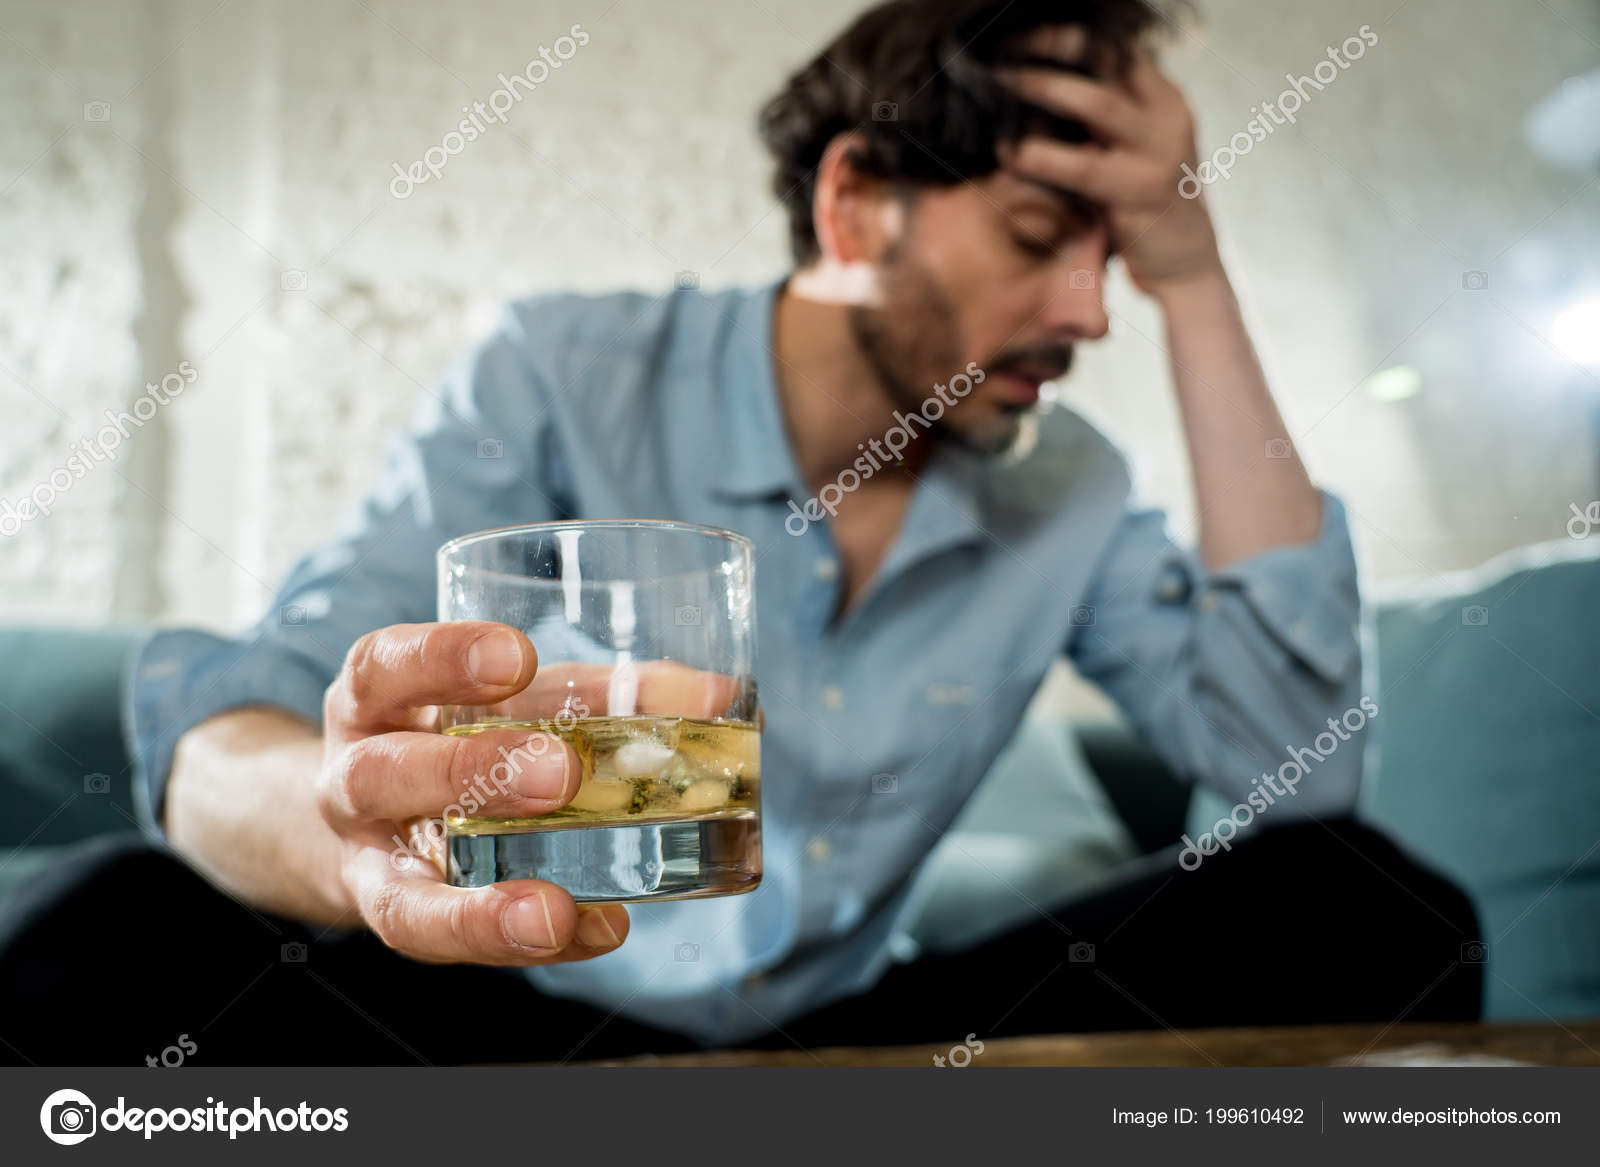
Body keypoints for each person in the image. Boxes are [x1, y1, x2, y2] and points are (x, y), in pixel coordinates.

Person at [0, 0, 1479, 1066]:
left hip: (854, 1047)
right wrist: (346, 842)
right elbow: (240, 715)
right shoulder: (562, 373)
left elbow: (1299, 790)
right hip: (511, 1019)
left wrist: (1198, 281)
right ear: (857, 206)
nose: (1093, 313)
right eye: (1042, 239)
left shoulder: (1066, 488)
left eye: (1123, 257)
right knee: (117, 930)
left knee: (1368, 904)